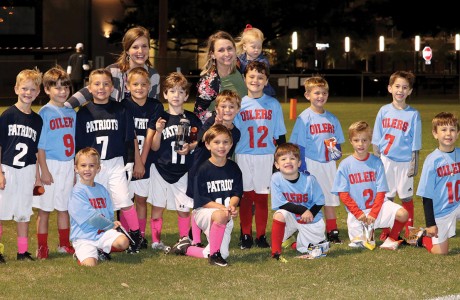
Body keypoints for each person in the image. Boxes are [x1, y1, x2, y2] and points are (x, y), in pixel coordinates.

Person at [75, 68, 144, 253]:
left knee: (123, 199)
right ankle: (99, 237)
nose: (101, 88)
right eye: (97, 84)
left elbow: (129, 137)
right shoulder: (83, 113)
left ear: (112, 87)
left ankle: (136, 234)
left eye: (106, 84)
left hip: (114, 163)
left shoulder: (121, 109)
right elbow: (79, 144)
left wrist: (130, 160)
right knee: (97, 203)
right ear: (89, 87)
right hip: (93, 166)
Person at [169, 124, 242, 267]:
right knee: (220, 217)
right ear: (208, 145)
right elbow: (201, 200)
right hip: (203, 211)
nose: (222, 146)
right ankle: (214, 256)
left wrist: (232, 206)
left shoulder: (234, 168)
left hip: (224, 215)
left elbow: (236, 193)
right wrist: (223, 208)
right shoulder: (202, 169)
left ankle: (185, 248)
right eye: (217, 142)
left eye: (226, 142)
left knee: (224, 253)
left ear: (231, 144)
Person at [234, 61, 287, 249]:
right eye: (251, 76)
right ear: (244, 78)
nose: (255, 80)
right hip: (243, 155)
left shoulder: (273, 104)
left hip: (266, 155)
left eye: (260, 77)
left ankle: (261, 235)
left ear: (266, 81)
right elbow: (233, 132)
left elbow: (280, 134)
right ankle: (246, 235)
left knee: (262, 197)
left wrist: (281, 157)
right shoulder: (239, 104)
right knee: (246, 197)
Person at [332, 121, 408, 250]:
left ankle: (392, 238)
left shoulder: (376, 162)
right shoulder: (345, 165)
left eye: (364, 140)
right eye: (356, 140)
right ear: (350, 141)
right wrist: (358, 213)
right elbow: (343, 194)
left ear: (370, 141)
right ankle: (368, 233)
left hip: (378, 208)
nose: (360, 144)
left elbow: (381, 191)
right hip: (358, 214)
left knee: (403, 214)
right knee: (362, 246)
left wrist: (373, 213)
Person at [147, 72, 201, 251]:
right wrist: (159, 131)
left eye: (180, 92)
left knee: (184, 208)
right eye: (172, 91)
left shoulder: (192, 118)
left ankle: (184, 239)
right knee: (157, 206)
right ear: (165, 94)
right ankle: (156, 241)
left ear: (186, 96)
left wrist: (190, 148)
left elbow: (196, 141)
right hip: (161, 169)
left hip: (182, 170)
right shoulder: (160, 117)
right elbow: (154, 147)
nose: (176, 95)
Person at [289, 76, 345, 244]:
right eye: (316, 93)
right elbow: (299, 145)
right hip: (310, 163)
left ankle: (332, 231)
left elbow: (337, 142)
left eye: (324, 93)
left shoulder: (332, 118)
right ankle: (307, 230)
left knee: (329, 198)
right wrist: (303, 167)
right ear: (308, 95)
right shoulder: (304, 118)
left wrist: (336, 152)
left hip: (328, 164)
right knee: (309, 199)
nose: (321, 96)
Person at [186, 89, 242, 246]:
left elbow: (228, 153)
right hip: (199, 167)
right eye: (223, 106)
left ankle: (200, 231)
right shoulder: (211, 121)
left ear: (237, 109)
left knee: (210, 200)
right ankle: (195, 239)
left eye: (232, 107)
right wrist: (215, 127)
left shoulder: (235, 132)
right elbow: (201, 138)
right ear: (217, 109)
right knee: (198, 203)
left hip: (215, 171)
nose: (227, 110)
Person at [0, 68, 43, 262]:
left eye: (32, 89)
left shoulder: (37, 120)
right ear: (16, 89)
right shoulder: (8, 115)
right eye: (24, 88)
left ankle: (22, 251)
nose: (28, 93)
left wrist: (37, 175)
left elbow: (34, 150)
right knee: (1, 211)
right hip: (8, 168)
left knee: (24, 212)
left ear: (38, 92)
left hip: (27, 170)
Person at [372, 71, 421, 239]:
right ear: (390, 88)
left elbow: (416, 142)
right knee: (387, 197)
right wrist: (377, 160)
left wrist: (414, 162)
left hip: (405, 162)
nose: (400, 90)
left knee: (406, 197)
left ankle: (409, 230)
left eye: (405, 87)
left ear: (410, 91)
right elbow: (377, 138)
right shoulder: (383, 111)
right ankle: (387, 229)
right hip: (386, 160)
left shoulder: (413, 114)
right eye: (397, 86)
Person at [33, 66, 76, 259]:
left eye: (65, 87)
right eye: (57, 88)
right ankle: (42, 246)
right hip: (50, 164)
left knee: (64, 207)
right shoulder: (45, 112)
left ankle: (64, 243)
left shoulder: (71, 112)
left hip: (67, 164)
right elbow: (40, 146)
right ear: (47, 90)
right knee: (45, 209)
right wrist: (44, 170)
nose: (62, 91)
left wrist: (74, 168)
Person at [66, 26, 160, 108]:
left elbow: (154, 108)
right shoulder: (113, 71)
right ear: (127, 50)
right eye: (135, 47)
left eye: (144, 46)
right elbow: (89, 90)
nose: (140, 51)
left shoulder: (153, 75)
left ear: (149, 48)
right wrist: (65, 107)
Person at [122, 67, 164, 248]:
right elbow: (129, 134)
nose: (139, 87)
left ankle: (139, 235)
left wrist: (143, 162)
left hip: (146, 160)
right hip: (127, 159)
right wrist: (137, 162)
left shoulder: (155, 106)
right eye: (135, 84)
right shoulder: (124, 105)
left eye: (143, 84)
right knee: (125, 200)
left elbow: (150, 135)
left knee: (140, 199)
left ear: (150, 86)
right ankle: (126, 235)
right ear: (127, 85)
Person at [69, 147, 130, 266]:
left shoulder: (102, 190)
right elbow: (90, 218)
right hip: (84, 237)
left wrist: (113, 222)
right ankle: (81, 253)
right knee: (90, 265)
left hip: (102, 234)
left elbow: (109, 213)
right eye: (83, 165)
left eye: (92, 166)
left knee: (123, 242)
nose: (87, 169)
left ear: (98, 169)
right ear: (76, 168)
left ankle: (101, 250)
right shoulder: (77, 193)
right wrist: (110, 225)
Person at [270, 143, 327, 262]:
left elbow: (320, 200)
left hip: (310, 219)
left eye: (292, 158)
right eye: (283, 159)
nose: (288, 161)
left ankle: (295, 243)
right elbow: (281, 203)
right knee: (279, 214)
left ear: (299, 163)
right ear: (277, 165)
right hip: (292, 216)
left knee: (310, 251)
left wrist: (310, 213)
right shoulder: (276, 178)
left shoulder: (309, 180)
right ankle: (275, 251)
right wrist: (303, 210)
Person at [416, 112, 460, 255]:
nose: (448, 134)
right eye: (443, 130)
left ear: (458, 133)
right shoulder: (432, 160)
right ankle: (422, 236)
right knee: (441, 252)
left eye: (452, 129)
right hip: (442, 211)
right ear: (435, 134)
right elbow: (426, 196)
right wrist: (430, 224)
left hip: (458, 204)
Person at [194, 31, 247, 123]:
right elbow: (199, 113)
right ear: (212, 54)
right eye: (221, 50)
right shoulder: (208, 82)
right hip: (223, 132)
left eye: (229, 48)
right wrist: (222, 116)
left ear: (235, 50)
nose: (227, 54)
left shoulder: (242, 69)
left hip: (245, 130)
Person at [235, 24, 275, 97]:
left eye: (259, 47)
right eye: (253, 47)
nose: (256, 50)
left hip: (264, 93)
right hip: (247, 93)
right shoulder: (239, 59)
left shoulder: (263, 62)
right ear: (244, 47)